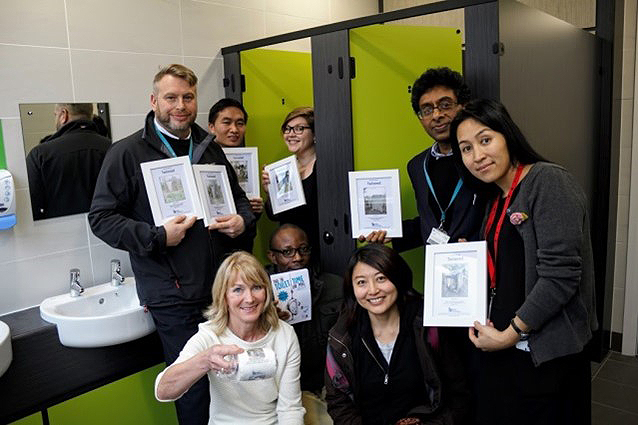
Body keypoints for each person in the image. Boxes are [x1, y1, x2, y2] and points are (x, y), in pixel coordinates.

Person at [89, 64, 255, 425]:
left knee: (232, 379)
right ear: (154, 101)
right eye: (171, 97)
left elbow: (239, 201)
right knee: (193, 391)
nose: (180, 105)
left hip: (220, 290)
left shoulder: (208, 147)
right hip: (173, 296)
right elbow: (100, 219)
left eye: (188, 97)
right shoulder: (126, 153)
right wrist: (157, 236)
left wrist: (242, 220)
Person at [449, 99, 597, 425]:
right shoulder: (496, 197)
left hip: (543, 353)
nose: (478, 156)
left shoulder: (547, 182)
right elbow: (511, 264)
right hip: (506, 346)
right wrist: (473, 255)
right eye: (466, 148)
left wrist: (510, 334)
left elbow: (560, 276)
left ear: (507, 135)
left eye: (485, 140)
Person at [155, 251, 305, 425]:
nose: (249, 299)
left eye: (256, 287)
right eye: (238, 289)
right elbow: (163, 391)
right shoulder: (210, 336)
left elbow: (290, 409)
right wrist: (206, 360)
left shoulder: (284, 335)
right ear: (223, 296)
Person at [325, 244, 469, 425]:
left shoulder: (429, 327)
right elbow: (338, 404)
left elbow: (458, 395)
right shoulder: (342, 337)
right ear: (351, 288)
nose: (373, 290)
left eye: (381, 278)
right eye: (361, 282)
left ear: (398, 278)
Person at [362, 67, 484, 247]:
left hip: (485, 264)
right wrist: (391, 232)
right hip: (437, 268)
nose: (437, 115)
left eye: (445, 105)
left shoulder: (483, 158)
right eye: (427, 110)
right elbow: (430, 223)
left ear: (463, 107)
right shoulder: (418, 165)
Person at [266, 224, 342, 420]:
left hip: (330, 387)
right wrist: (266, 320)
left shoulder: (335, 286)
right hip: (283, 392)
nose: (297, 257)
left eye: (303, 249)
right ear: (272, 256)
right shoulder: (260, 296)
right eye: (287, 252)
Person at [26, 103, 111, 220]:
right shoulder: (112, 148)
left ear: (63, 115)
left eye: (55, 115)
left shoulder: (40, 155)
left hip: (58, 230)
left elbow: (32, 206)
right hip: (108, 228)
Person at [262, 107, 320, 253]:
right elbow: (275, 216)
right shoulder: (283, 169)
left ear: (314, 134)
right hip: (290, 250)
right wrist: (270, 193)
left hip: (318, 246)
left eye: (299, 129)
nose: (291, 134)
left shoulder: (324, 166)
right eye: (287, 129)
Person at [208, 98, 263, 252]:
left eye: (240, 123)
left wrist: (255, 210)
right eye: (227, 122)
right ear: (212, 127)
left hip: (243, 244)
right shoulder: (200, 161)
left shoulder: (249, 160)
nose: (234, 129)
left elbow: (248, 215)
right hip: (215, 244)